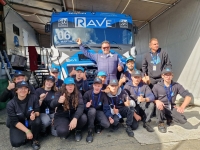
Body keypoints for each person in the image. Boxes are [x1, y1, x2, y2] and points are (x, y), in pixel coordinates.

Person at [152, 68, 192, 133]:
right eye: (166, 75)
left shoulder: (176, 86)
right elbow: (152, 98)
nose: (168, 77)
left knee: (183, 120)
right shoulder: (157, 86)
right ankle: (160, 122)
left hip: (171, 106)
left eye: (169, 75)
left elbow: (188, 96)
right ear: (162, 76)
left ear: (172, 76)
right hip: (161, 106)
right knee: (159, 106)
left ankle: (168, 117)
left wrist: (182, 107)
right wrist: (156, 101)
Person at [6, 81, 41, 149]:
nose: (23, 90)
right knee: (16, 143)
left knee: (37, 121)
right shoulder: (10, 104)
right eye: (20, 88)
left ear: (28, 90)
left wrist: (35, 114)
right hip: (18, 122)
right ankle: (27, 134)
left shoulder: (33, 98)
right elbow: (15, 121)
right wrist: (27, 131)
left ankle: (35, 140)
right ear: (16, 90)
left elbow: (37, 111)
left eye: (25, 88)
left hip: (29, 120)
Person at [50, 77, 87, 141]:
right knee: (62, 132)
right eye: (68, 85)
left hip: (73, 114)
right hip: (62, 116)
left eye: (72, 85)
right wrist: (58, 101)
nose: (70, 87)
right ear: (65, 86)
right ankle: (68, 128)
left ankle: (77, 130)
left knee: (83, 118)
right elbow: (52, 105)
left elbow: (81, 106)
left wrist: (75, 118)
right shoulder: (59, 93)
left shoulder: (77, 93)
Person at [83, 77, 115, 143]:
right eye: (95, 85)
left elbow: (106, 108)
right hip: (90, 111)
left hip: (98, 112)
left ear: (101, 86)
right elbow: (81, 106)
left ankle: (97, 124)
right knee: (92, 111)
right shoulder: (87, 93)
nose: (97, 87)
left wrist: (109, 116)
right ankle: (90, 130)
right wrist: (86, 106)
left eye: (99, 86)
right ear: (93, 85)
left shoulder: (103, 95)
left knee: (107, 124)